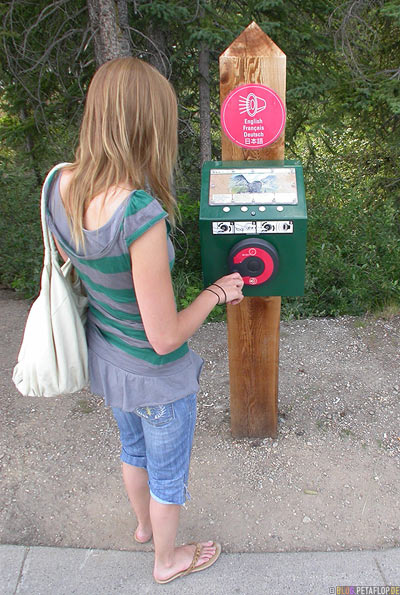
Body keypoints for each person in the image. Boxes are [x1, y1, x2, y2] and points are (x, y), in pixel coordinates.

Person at [45, 56, 244, 584]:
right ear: (147, 127)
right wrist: (216, 293)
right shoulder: (138, 215)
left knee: (132, 449)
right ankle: (166, 560)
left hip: (107, 357)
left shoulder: (58, 185)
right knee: (168, 478)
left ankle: (143, 530)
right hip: (156, 378)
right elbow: (165, 337)